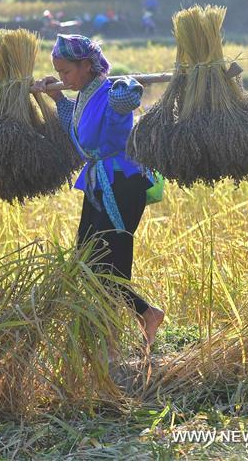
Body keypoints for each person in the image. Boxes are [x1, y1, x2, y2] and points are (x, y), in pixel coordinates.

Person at [36, 34, 165, 347]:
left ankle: (135, 320)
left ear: (85, 66)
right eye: (60, 73)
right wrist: (55, 99)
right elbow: (76, 127)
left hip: (121, 183)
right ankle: (132, 319)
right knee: (86, 259)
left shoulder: (110, 94)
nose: (63, 79)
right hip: (98, 182)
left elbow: (126, 105)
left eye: (66, 72)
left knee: (105, 264)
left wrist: (127, 93)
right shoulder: (84, 96)